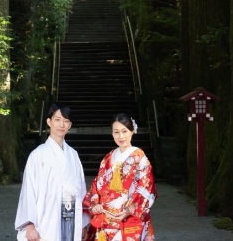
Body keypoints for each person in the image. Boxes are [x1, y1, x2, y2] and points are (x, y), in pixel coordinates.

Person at [16, 103, 89, 241]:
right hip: (45, 218)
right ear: (49, 122)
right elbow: (29, 191)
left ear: (70, 125)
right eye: (57, 119)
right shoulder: (37, 154)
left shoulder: (73, 155)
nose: (61, 124)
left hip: (71, 217)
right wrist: (30, 225)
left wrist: (82, 224)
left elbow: (81, 190)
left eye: (66, 121)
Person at [84, 113, 156, 241]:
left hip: (129, 217)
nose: (121, 136)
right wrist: (95, 203)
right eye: (116, 132)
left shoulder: (140, 158)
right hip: (106, 218)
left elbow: (146, 186)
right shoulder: (108, 158)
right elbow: (97, 183)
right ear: (112, 133)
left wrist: (129, 209)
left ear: (132, 131)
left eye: (125, 131)